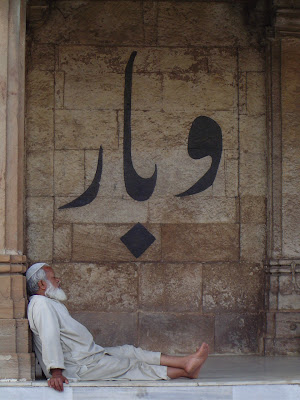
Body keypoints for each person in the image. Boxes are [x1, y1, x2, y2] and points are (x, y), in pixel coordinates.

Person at [26, 263, 209, 392]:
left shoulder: (48, 303)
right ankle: (186, 371)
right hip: (79, 367)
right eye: (53, 277)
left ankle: (186, 362)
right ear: (42, 284)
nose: (59, 280)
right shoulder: (41, 305)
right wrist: (56, 372)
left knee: (129, 351)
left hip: (88, 357)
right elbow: (49, 337)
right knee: (129, 366)